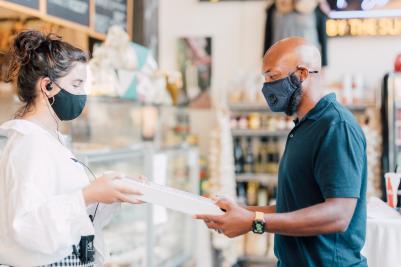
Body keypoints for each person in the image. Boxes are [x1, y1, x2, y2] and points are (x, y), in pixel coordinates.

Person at [196, 37, 367, 267]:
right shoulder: (302, 128)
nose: (266, 87)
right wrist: (237, 211)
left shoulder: (336, 126)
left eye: (273, 76)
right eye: (264, 78)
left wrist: (254, 222)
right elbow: (296, 207)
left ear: (303, 74)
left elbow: (338, 215)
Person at [0, 30, 144, 266]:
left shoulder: (50, 139)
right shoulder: (29, 143)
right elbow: (27, 228)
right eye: (77, 84)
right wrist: (88, 194)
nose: (82, 93)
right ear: (47, 86)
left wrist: (112, 194)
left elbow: (70, 210)